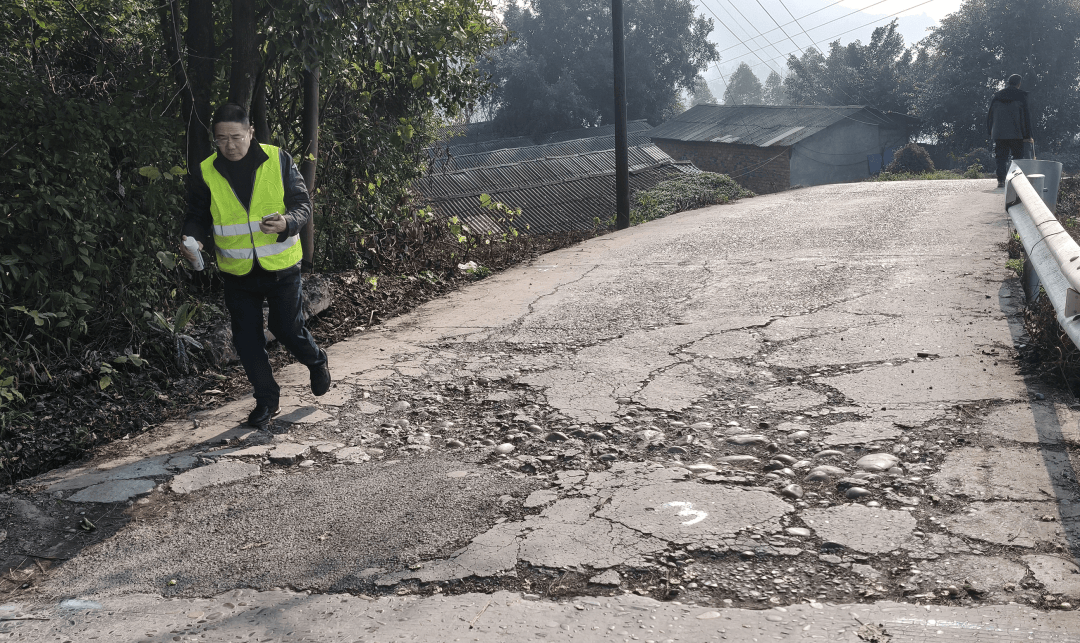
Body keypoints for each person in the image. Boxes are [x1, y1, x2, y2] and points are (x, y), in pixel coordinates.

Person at [179, 103, 331, 427]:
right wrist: (193, 239)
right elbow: (197, 216)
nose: (229, 145)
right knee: (246, 339)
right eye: (221, 139)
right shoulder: (206, 171)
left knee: (286, 328)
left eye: (236, 137)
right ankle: (266, 400)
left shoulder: (278, 159)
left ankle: (317, 361)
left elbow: (302, 203)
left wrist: (288, 222)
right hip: (237, 272)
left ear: (250, 132)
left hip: (281, 266)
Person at [986, 74, 1034, 188]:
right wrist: (1028, 135)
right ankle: (1015, 181)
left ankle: (1001, 180)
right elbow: (1026, 117)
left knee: (1001, 157)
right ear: (1019, 83)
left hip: (999, 133)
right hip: (1016, 133)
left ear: (1008, 82)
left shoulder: (997, 96)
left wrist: (990, 131)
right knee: (1017, 158)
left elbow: (990, 115)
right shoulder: (1021, 96)